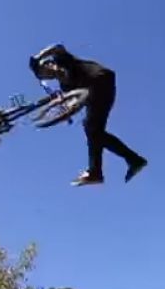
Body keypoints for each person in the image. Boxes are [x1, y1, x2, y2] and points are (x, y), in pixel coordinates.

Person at [29, 43, 148, 186]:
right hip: (100, 93)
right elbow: (74, 102)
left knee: (91, 128)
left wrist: (38, 57)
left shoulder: (63, 60)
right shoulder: (65, 87)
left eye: (42, 71)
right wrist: (65, 112)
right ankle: (131, 161)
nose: (46, 76)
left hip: (100, 78)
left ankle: (95, 172)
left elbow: (57, 47)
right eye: (43, 76)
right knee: (94, 132)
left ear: (48, 63)